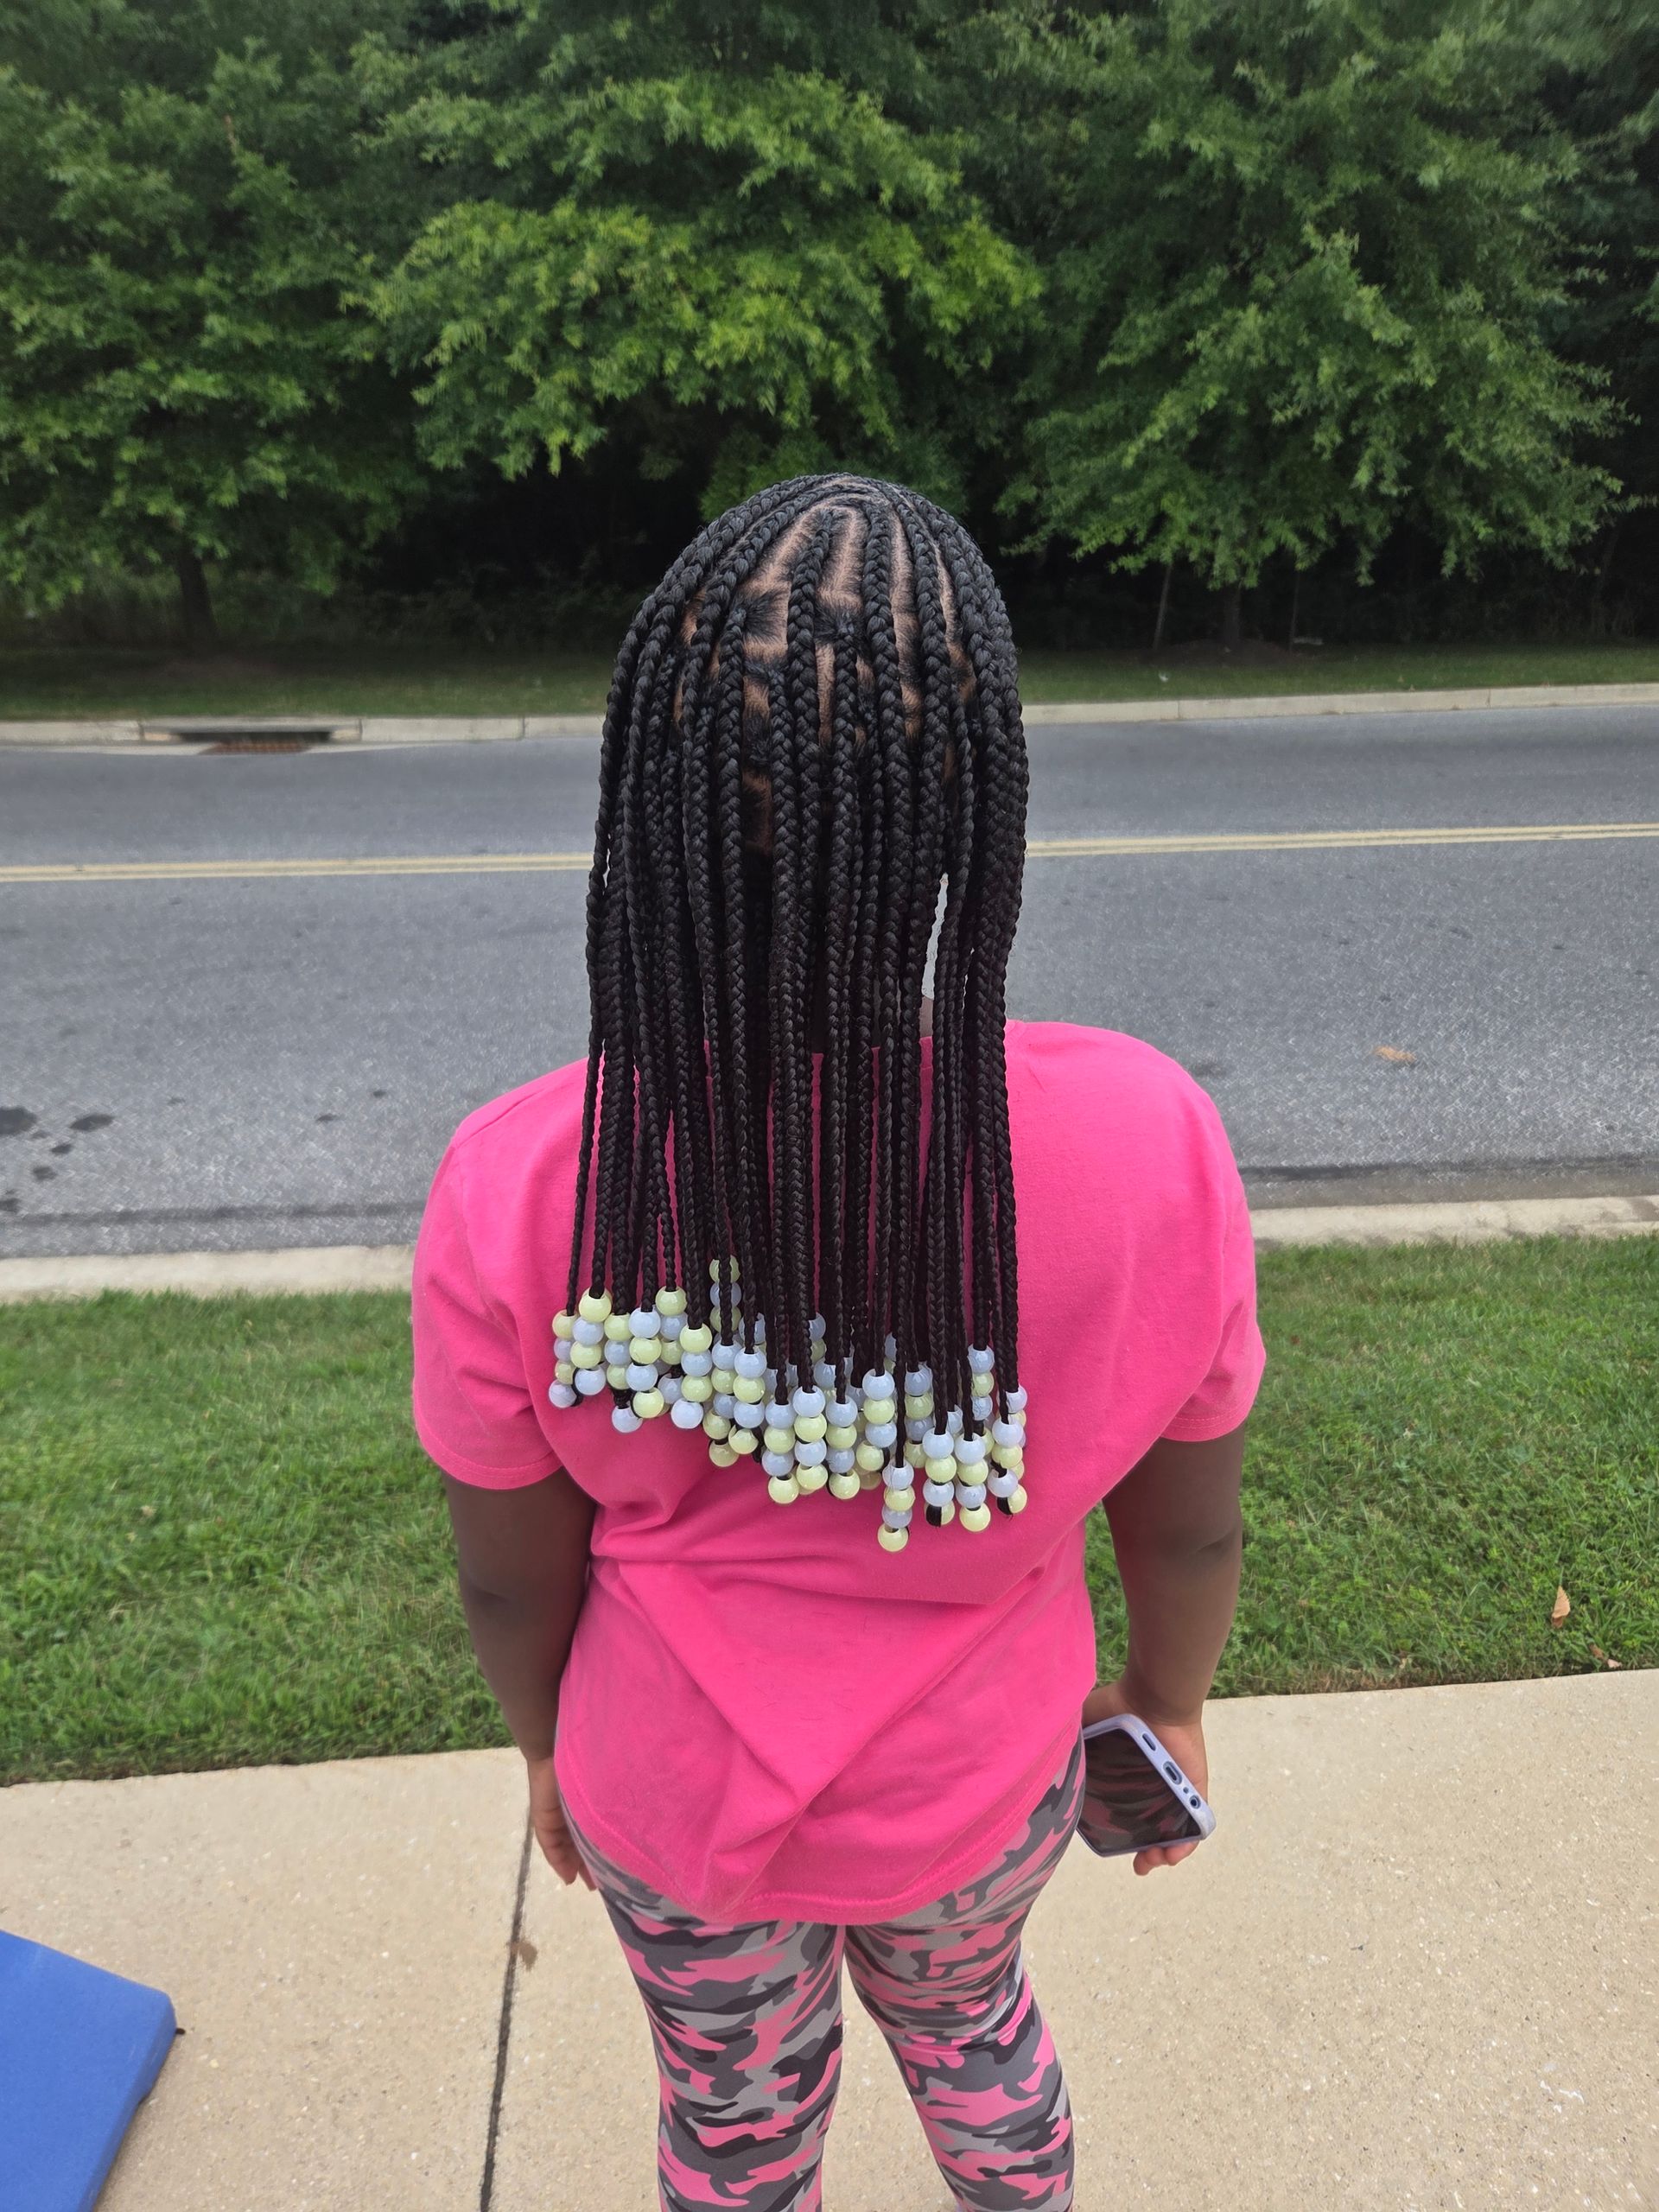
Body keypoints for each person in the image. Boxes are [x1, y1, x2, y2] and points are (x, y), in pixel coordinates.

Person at [411, 474, 1262, 2211]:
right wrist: (1167, 1697)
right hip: (982, 1787)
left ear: (641, 801)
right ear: (966, 807)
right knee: (980, 2038)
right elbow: (1188, 1525)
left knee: (731, 2112)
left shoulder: (526, 1177)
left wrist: (546, 1745)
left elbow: (512, 1583)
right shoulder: (1151, 1139)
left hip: (674, 1795)